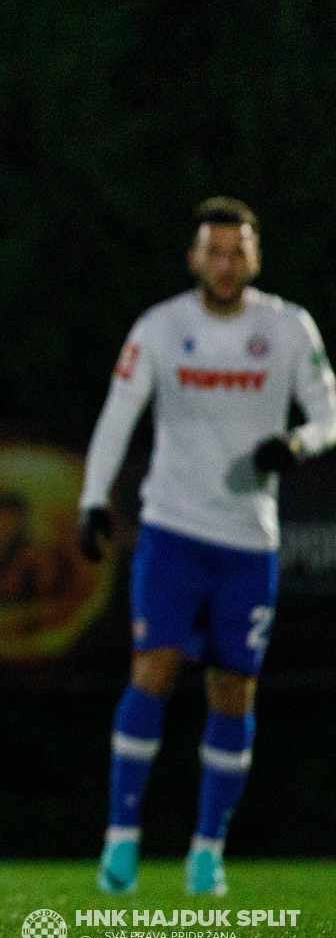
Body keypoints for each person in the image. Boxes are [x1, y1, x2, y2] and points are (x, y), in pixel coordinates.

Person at [79, 197, 336, 896]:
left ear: (254, 257)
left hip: (248, 539)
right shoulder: (161, 329)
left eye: (237, 252)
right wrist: (92, 499)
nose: (225, 264)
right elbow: (117, 416)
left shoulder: (287, 328)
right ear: (195, 256)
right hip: (173, 529)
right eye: (213, 251)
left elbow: (327, 410)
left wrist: (298, 443)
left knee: (233, 689)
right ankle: (122, 840)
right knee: (153, 669)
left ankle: (206, 853)